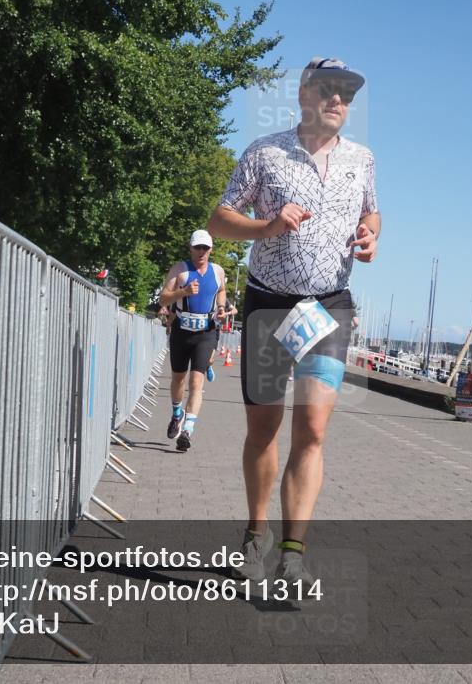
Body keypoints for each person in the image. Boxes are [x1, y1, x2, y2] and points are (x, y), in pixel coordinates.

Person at [208, 56, 380, 588]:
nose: (338, 100)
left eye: (347, 93)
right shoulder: (265, 153)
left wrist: (372, 236)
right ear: (304, 95)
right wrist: (265, 226)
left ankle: (293, 552)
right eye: (328, 89)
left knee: (314, 429)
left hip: (328, 307)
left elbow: (371, 212)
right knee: (264, 429)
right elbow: (219, 220)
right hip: (269, 304)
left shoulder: (362, 160)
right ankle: (254, 533)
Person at [158, 230, 227, 452]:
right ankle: (177, 413)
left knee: (196, 383)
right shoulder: (180, 269)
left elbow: (222, 291)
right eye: (198, 247)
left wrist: (221, 307)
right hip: (181, 332)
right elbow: (163, 297)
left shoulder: (217, 271)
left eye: (205, 248)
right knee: (178, 380)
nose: (201, 252)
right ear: (191, 248)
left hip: (205, 333)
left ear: (211, 250)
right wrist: (183, 292)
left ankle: (187, 430)